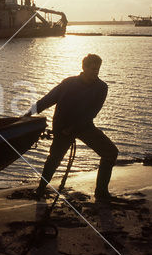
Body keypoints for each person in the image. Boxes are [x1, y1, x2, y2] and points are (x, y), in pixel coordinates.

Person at [24, 53, 118, 200]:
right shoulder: (68, 83)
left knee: (111, 152)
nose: (96, 72)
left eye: (98, 69)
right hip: (62, 127)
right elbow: (47, 100)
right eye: (93, 69)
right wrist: (27, 115)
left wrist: (73, 128)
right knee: (54, 158)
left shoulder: (101, 87)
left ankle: (101, 192)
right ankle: (41, 189)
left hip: (84, 126)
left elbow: (92, 112)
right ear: (84, 68)